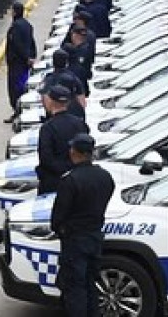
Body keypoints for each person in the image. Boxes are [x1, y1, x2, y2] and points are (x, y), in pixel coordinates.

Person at [52, 133, 115, 317]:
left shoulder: (70, 180)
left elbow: (58, 216)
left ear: (75, 152)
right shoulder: (105, 177)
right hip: (94, 238)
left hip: (75, 241)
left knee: (74, 289)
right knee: (90, 286)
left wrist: (61, 229)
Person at [35, 83, 89, 195]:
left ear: (50, 101)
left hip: (53, 183)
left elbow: (46, 159)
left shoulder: (48, 128)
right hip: (78, 180)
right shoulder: (79, 124)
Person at [4, 2, 36, 122]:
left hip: (17, 63)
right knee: (22, 85)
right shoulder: (27, 25)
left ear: (15, 12)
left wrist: (26, 57)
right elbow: (31, 42)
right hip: (24, 63)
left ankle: (18, 111)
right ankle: (19, 111)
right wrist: (32, 56)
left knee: (15, 88)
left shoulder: (16, 27)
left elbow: (17, 45)